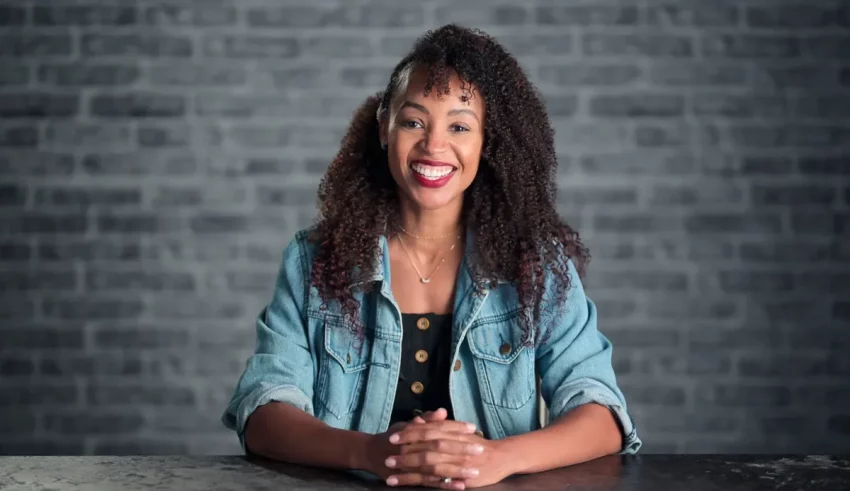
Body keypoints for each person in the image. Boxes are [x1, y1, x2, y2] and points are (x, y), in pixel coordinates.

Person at [221, 24, 641, 489]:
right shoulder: (315, 259)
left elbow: (602, 414)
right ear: (385, 127)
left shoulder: (537, 265)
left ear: (488, 142)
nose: (434, 146)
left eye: (459, 126)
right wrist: (371, 452)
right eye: (414, 121)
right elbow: (263, 410)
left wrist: (496, 457)